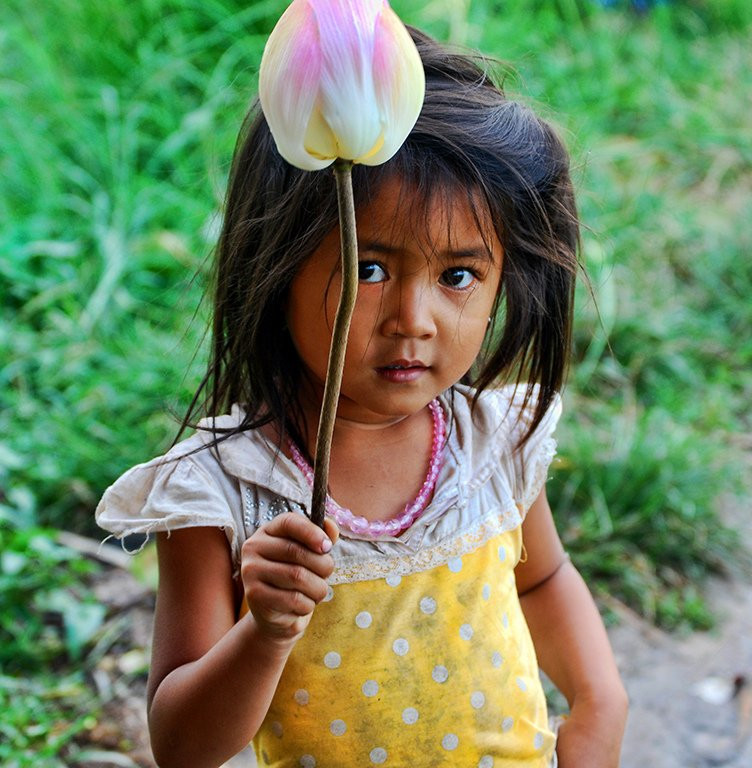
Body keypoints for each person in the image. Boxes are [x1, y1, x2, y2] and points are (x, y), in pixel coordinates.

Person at [96, 27, 627, 768]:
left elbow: (542, 577)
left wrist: (600, 701)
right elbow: (182, 745)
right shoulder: (225, 497)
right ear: (277, 264)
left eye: (459, 276)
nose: (414, 319)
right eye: (370, 269)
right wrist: (267, 630)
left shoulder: (493, 443)